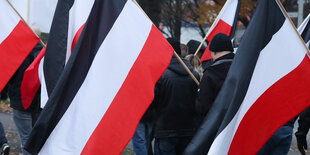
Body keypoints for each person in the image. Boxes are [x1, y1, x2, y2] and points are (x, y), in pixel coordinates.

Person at [153, 38, 200, 155]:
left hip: (165, 130)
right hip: (188, 128)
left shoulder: (161, 74)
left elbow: (153, 101)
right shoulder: (194, 74)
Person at [7, 26, 42, 155]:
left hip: (20, 102)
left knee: (26, 139)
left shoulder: (20, 54)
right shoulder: (45, 54)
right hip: (39, 103)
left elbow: (10, 76)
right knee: (36, 140)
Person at [195, 33, 235, 119]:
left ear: (214, 52)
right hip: (239, 122)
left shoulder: (210, 74)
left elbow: (203, 106)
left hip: (217, 124)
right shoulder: (243, 67)